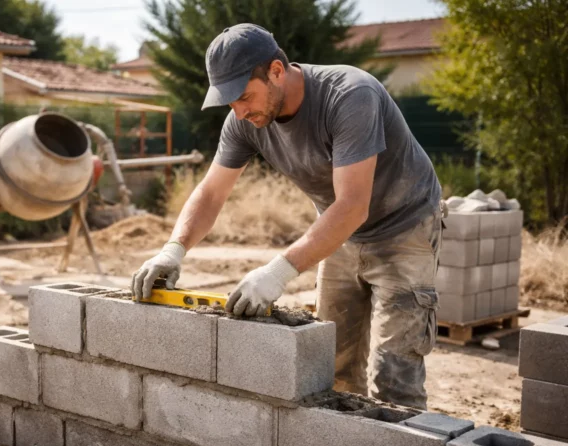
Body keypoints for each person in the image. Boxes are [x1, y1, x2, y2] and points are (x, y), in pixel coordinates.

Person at [130, 23, 444, 409]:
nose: (240, 111)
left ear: (276, 70)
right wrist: (173, 249)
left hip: (403, 230)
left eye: (244, 96)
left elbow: (352, 205)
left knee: (394, 378)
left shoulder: (349, 95)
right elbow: (211, 193)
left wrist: (278, 272)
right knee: (333, 367)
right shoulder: (244, 121)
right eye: (230, 103)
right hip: (338, 235)